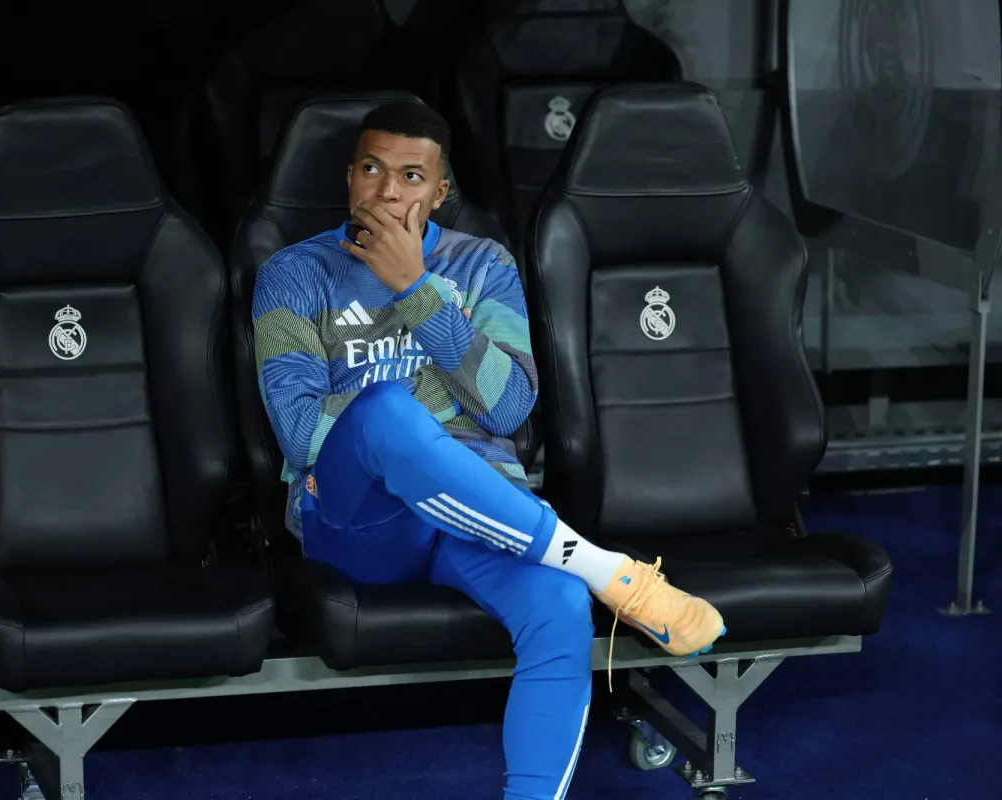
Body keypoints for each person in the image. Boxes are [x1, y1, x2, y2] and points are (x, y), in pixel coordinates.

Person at [252, 100, 725, 800]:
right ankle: (607, 568)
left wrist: (416, 290)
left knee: (559, 604)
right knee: (386, 412)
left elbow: (508, 407)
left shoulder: (482, 265)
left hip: (476, 513)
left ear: (441, 191)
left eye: (412, 176)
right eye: (373, 170)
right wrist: (436, 403)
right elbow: (299, 431)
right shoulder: (293, 273)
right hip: (358, 520)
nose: (389, 191)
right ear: (349, 176)